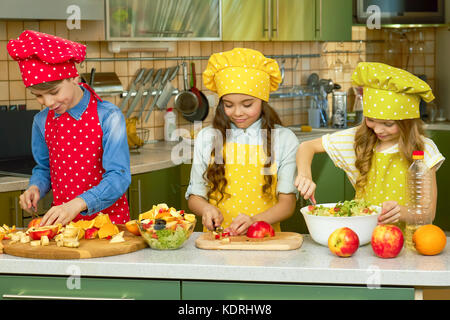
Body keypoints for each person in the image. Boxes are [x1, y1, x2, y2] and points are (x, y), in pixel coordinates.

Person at [295, 62, 445, 228]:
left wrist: (402, 212)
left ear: (407, 122)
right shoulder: (358, 140)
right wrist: (305, 175)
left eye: (388, 124)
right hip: (362, 240)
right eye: (371, 120)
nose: (378, 129)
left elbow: (428, 214)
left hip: (409, 247)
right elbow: (306, 147)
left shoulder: (424, 149)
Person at [8, 30, 131, 226]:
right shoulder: (41, 122)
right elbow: (45, 168)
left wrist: (78, 204)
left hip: (110, 226)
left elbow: (118, 177)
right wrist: (35, 187)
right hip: (65, 227)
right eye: (38, 96)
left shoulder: (108, 116)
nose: (47, 102)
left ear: (74, 77)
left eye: (54, 92)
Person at [186, 48, 299, 235]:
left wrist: (254, 221)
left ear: (263, 101)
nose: (237, 112)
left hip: (264, 240)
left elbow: (287, 204)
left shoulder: (284, 139)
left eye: (247, 105)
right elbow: (195, 196)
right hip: (217, 242)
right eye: (228, 105)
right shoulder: (207, 138)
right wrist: (206, 209)